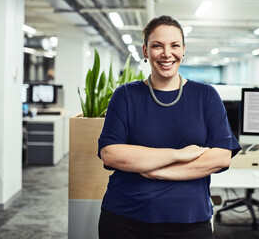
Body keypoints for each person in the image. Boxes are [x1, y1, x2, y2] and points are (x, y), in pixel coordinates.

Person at [97, 15, 241, 239]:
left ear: (183, 49)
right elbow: (111, 154)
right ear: (145, 51)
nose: (167, 53)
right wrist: (179, 154)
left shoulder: (206, 96)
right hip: (125, 218)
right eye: (157, 45)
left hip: (189, 219)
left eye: (174, 45)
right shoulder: (125, 95)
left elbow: (221, 157)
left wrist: (157, 172)